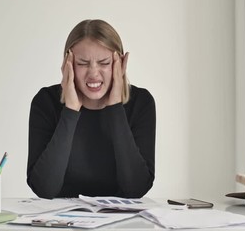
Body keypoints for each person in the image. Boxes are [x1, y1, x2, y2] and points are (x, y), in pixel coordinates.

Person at [27, 19, 156, 199]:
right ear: (67, 64)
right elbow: (44, 189)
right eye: (82, 63)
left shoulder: (141, 103)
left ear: (120, 64)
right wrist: (71, 110)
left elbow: (136, 188)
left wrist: (115, 107)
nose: (93, 73)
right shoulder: (45, 102)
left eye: (104, 63)